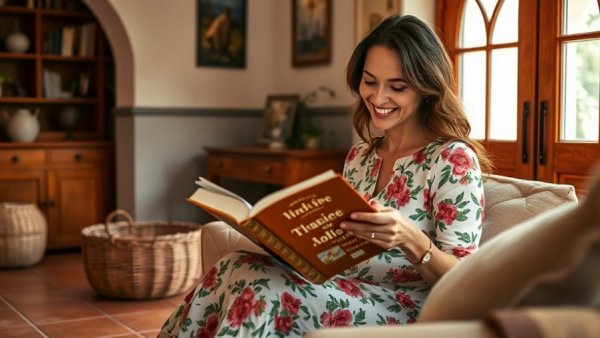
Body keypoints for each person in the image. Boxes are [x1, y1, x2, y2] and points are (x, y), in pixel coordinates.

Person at [159, 15, 492, 338]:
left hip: (402, 305)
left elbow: (466, 281)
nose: (378, 98)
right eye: (369, 81)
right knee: (235, 265)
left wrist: (409, 238)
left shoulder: (452, 159)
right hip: (341, 286)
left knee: (264, 289)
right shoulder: (360, 156)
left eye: (398, 87)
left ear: (426, 88)